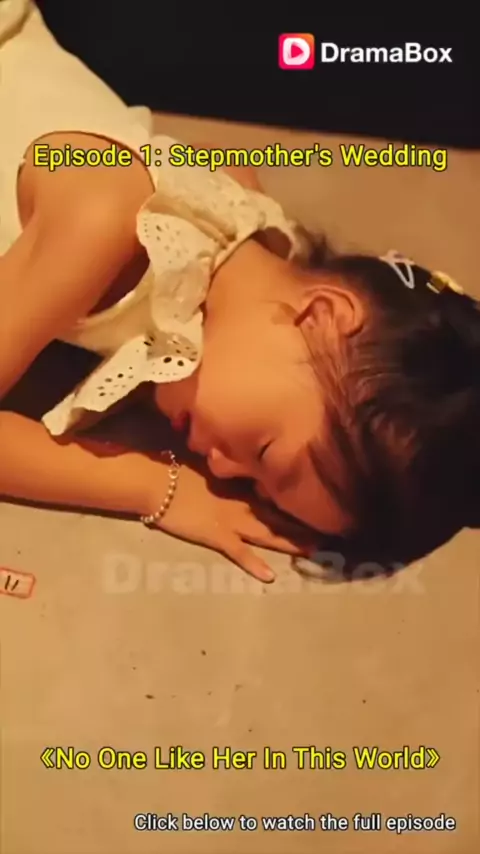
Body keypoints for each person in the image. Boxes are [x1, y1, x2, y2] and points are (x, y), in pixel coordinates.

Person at [1, 2, 478, 584]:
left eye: (252, 484)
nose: (223, 470)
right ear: (322, 316)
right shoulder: (104, 223)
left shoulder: (250, 228)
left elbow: (225, 170)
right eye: (265, 451)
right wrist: (152, 485)